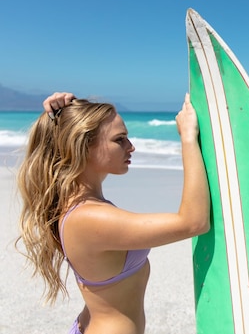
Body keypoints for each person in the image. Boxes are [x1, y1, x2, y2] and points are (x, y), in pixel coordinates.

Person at [16, 92, 210, 334]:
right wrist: (189, 138)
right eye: (120, 140)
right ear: (83, 147)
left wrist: (66, 113)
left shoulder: (78, 207)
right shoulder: (88, 217)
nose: (131, 147)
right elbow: (194, 222)